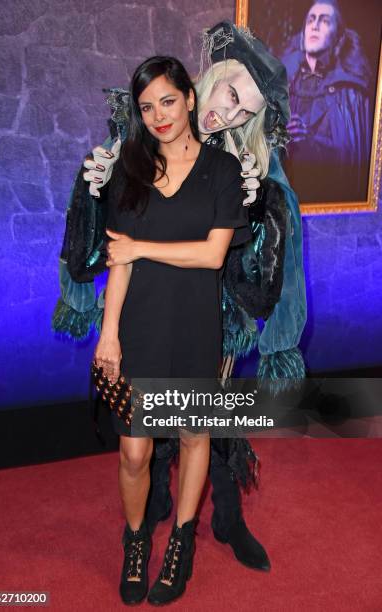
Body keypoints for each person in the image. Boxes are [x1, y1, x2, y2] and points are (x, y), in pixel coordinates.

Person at [53, 20, 306, 575]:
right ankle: (150, 521)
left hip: (210, 315)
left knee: (204, 427)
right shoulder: (146, 129)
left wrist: (259, 205)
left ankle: (223, 521)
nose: (232, 113)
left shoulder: (244, 161)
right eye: (232, 94)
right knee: (142, 443)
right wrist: (94, 185)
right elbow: (111, 231)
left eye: (248, 111)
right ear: (207, 80)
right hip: (145, 310)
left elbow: (266, 245)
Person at [94, 55, 251, 606]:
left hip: (194, 330)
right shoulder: (129, 171)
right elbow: (120, 261)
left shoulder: (222, 171)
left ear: (189, 97)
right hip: (138, 329)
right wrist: (108, 334)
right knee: (134, 452)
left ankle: (182, 540)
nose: (158, 115)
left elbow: (213, 255)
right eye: (146, 107)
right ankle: (136, 539)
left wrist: (140, 247)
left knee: (192, 437)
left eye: (167, 100)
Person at [281, 0, 371, 201]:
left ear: (338, 37)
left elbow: (350, 162)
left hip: (325, 200)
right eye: (311, 20)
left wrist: (307, 142)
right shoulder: (282, 82)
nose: (314, 25)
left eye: (324, 21)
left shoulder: (350, 92)